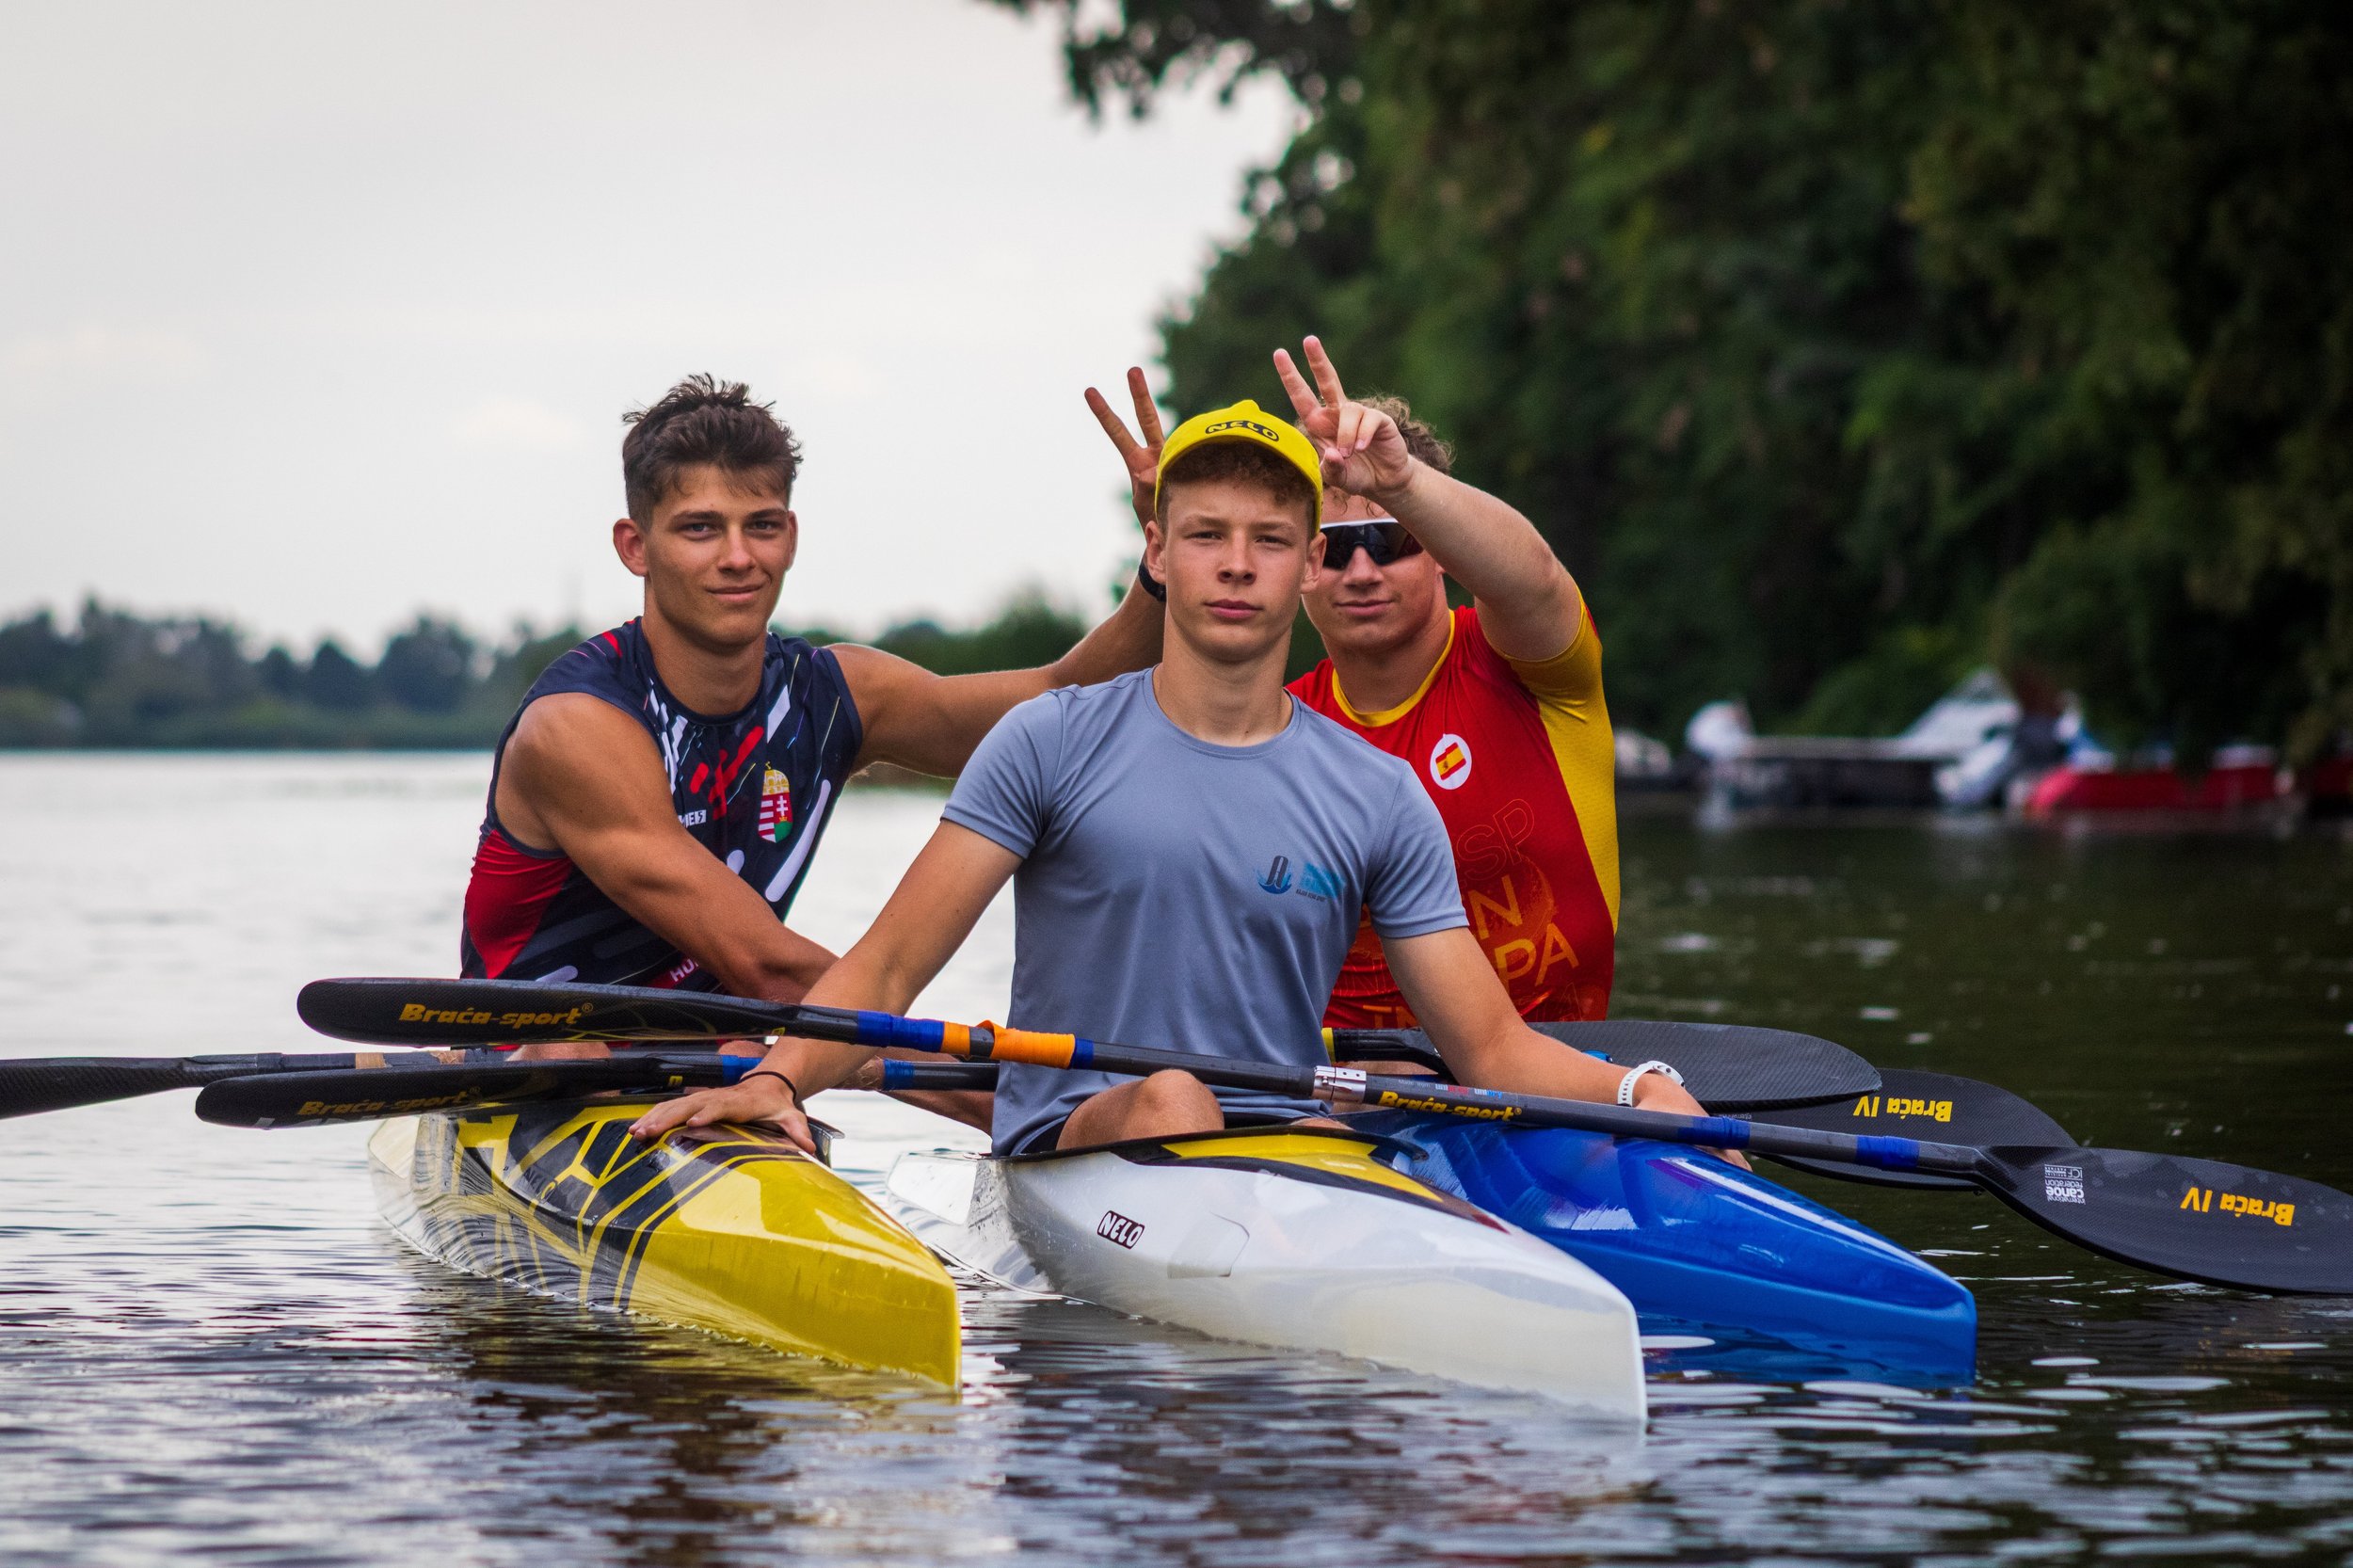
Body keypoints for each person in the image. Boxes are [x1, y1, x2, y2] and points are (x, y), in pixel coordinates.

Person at [629, 395, 1725, 1157]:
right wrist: (774, 1081)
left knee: (1238, 1114)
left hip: (1287, 1144)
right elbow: (888, 969)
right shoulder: (1048, 740)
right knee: (1172, 1095)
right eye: (1204, 535)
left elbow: (1488, 1048)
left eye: (1269, 538)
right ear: (1157, 555)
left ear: (1303, 566)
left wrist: (1636, 1091)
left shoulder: (1377, 793)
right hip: (1084, 1143)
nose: (1237, 563)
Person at [462, 376, 1163, 1124]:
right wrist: (1026, 1093)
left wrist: (1162, 562)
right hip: (543, 1061)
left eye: (761, 526)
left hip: (726, 1057)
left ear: (790, 536)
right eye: (700, 529)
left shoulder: (836, 695)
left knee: (772, 1051)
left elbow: (1063, 702)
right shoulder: (579, 726)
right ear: (635, 547)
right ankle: (1049, 1120)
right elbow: (764, 965)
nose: (738, 557)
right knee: (576, 1057)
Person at [1271, 339, 1621, 1030]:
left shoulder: (1528, 665)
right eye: (1336, 549)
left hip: (1555, 1089)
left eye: (1392, 539)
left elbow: (1538, 578)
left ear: (1440, 549)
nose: (1363, 571)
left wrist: (1400, 484)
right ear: (1304, 564)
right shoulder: (1273, 725)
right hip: (1347, 1111)